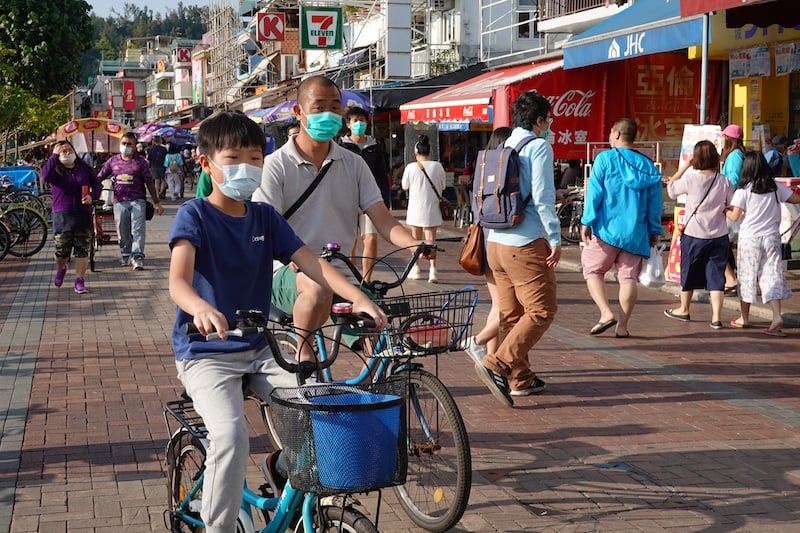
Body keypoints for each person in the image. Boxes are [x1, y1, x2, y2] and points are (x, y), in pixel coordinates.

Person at [168, 110, 387, 533]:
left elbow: (314, 266)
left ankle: (284, 477)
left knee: (323, 416)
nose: (247, 169)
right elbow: (178, 282)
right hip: (206, 353)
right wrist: (200, 308)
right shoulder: (194, 215)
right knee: (231, 437)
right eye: (234, 158)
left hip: (261, 349)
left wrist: (361, 299)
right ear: (206, 162)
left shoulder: (265, 218)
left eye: (255, 159)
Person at [252, 75, 426, 362]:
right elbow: (266, 226)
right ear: (299, 112)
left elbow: (382, 218)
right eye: (319, 107)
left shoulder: (353, 163)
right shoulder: (275, 166)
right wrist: (291, 258)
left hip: (343, 274)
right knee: (316, 284)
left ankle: (379, 384)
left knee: (379, 329)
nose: (329, 114)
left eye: (335, 107)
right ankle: (304, 355)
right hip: (287, 274)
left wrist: (413, 244)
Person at [473, 92, 561, 407]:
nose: (549, 124)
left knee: (512, 313)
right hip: (524, 242)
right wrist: (555, 237)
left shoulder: (503, 146)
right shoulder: (539, 146)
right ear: (538, 120)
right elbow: (542, 196)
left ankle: (521, 379)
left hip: (495, 241)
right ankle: (497, 363)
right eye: (548, 118)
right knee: (541, 311)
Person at [580, 117, 663, 339]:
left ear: (616, 134)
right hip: (636, 234)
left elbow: (594, 194)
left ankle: (606, 313)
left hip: (606, 230)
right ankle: (623, 326)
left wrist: (587, 221)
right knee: (628, 279)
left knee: (593, 270)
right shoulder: (648, 167)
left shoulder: (605, 160)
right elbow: (655, 205)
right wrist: (654, 230)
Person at [726, 151, 800, 336]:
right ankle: (776, 316)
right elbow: (796, 199)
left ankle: (744, 317)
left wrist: (723, 210)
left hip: (750, 238)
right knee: (772, 275)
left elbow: (735, 216)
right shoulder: (775, 187)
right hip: (771, 238)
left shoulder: (743, 190)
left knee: (747, 277)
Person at [663, 140, 734, 328]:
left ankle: (684, 309)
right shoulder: (724, 181)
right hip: (719, 235)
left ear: (697, 158)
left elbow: (671, 190)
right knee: (717, 276)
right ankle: (716, 318)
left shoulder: (691, 179)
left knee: (689, 272)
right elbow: (731, 205)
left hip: (694, 235)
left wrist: (686, 164)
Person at [464, 127, 512, 365]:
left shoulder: (482, 170)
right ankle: (477, 341)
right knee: (509, 306)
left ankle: (492, 358)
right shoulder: (505, 171)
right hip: (500, 244)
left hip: (483, 244)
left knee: (499, 304)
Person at [41, 140, 102, 294]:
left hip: (82, 214)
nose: (67, 153)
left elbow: (98, 185)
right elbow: (44, 177)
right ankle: (61, 267)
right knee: (62, 251)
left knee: (82, 250)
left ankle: (79, 280)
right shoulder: (54, 170)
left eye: (69, 150)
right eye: (63, 151)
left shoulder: (84, 169)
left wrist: (91, 196)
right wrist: (54, 155)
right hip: (62, 215)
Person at [98, 131, 164, 270]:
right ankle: (125, 253)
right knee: (123, 231)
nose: (126, 146)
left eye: (129, 144)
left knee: (138, 230)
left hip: (138, 200)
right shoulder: (113, 161)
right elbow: (100, 176)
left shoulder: (140, 162)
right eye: (124, 143)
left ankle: (137, 256)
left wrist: (157, 202)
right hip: (120, 201)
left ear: (135, 146)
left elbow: (149, 182)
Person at [340, 106, 391, 282]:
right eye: (355, 121)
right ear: (348, 124)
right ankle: (352, 278)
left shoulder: (375, 147)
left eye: (361, 120)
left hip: (370, 199)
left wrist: (384, 200)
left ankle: (366, 281)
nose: (359, 124)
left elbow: (382, 175)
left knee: (371, 239)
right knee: (351, 243)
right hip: (347, 200)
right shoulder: (341, 147)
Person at [401, 134, 446, 283]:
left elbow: (404, 186)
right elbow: (443, 185)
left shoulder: (410, 167)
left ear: (416, 152)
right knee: (431, 241)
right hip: (432, 209)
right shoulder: (437, 166)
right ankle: (433, 271)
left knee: (415, 241)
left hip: (415, 209)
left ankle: (416, 269)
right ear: (430, 151)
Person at [721, 124, 746, 294]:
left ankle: (731, 279)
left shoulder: (735, 156)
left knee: (719, 242)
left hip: (731, 205)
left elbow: (733, 180)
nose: (721, 139)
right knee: (724, 243)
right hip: (732, 203)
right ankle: (730, 277)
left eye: (723, 136)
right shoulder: (736, 154)